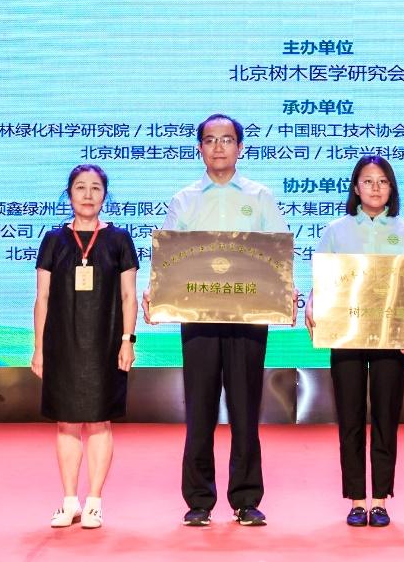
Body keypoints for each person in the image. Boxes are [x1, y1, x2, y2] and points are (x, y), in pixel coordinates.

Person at [143, 113, 289, 527]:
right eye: (210, 140)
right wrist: (156, 292)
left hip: (248, 317)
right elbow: (168, 260)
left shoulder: (259, 197)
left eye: (227, 140)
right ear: (200, 148)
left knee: (245, 410)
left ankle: (246, 498)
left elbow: (279, 252)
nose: (219, 147)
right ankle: (199, 500)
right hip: (199, 319)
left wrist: (287, 290)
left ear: (240, 148)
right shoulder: (184, 200)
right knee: (200, 410)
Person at [307, 155, 404, 528]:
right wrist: (312, 303)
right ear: (356, 188)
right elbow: (321, 280)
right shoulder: (336, 231)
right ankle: (357, 500)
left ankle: (381, 500)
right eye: (368, 181)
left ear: (391, 188)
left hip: (391, 337)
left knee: (386, 417)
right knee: (350, 417)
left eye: (382, 181)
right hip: (346, 333)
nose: (375, 187)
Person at [32, 164, 138, 530]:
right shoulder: (53, 240)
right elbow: (43, 298)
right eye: (80, 187)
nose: (88, 195)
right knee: (66, 422)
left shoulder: (119, 240)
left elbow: (129, 296)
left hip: (105, 344)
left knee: (99, 421)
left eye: (95, 188)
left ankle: (94, 501)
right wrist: (39, 348)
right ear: (69, 194)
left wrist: (127, 341)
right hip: (62, 344)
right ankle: (68, 501)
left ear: (105, 195)